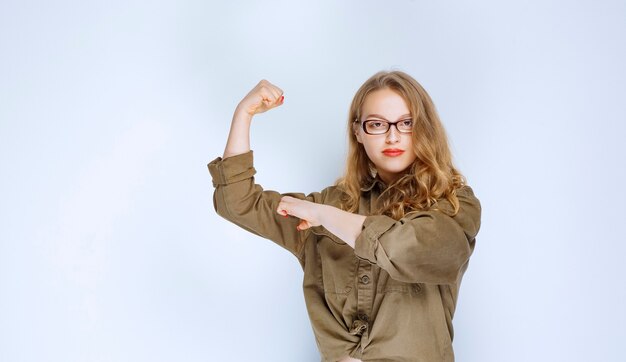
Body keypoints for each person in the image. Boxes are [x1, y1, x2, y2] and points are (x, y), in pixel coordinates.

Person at [207, 70, 481, 362]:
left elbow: (409, 248)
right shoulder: (329, 204)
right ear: (358, 132)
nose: (392, 136)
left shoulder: (453, 204)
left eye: (406, 123)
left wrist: (326, 216)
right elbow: (237, 202)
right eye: (377, 124)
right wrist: (243, 114)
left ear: (425, 128)